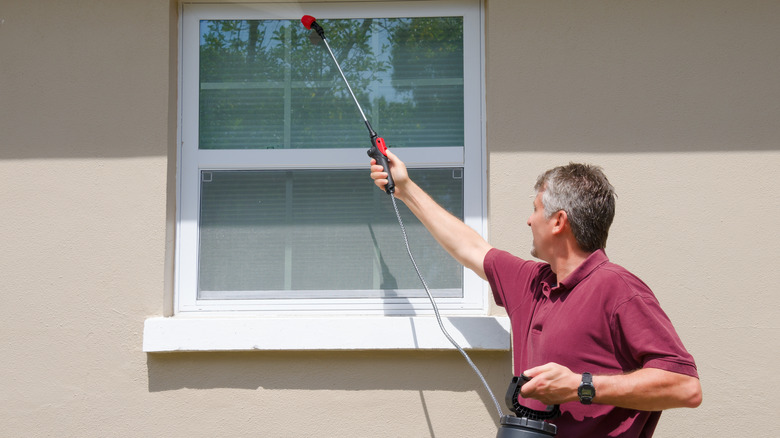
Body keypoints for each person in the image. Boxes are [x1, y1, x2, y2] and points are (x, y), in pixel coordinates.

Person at [370, 151, 702, 437]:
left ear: (558, 221)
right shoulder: (532, 282)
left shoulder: (619, 289)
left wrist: (580, 387)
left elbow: (685, 387)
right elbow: (468, 246)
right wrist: (405, 189)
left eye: (535, 209)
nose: (528, 221)